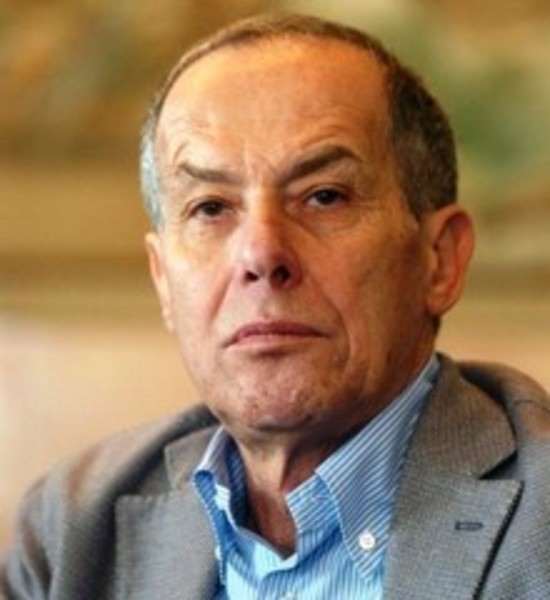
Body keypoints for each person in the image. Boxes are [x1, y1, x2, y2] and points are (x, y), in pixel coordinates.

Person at [2, 12, 549, 600]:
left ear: (439, 259)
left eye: (324, 197)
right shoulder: (73, 532)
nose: (261, 254)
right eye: (211, 208)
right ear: (162, 279)